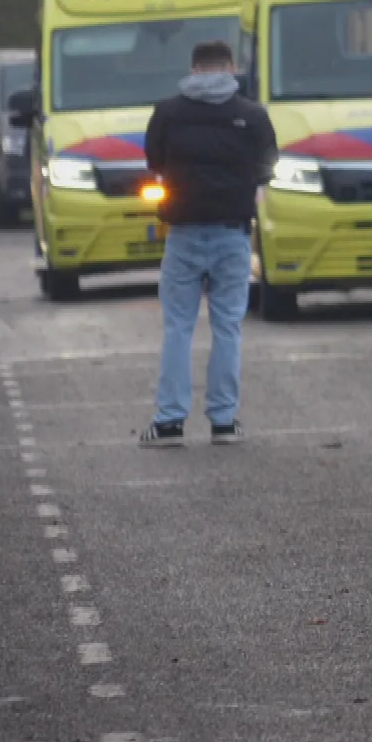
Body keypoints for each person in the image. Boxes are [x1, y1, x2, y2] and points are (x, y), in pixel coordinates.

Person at [139, 40, 277, 448]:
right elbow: (268, 165)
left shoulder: (168, 112)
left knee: (178, 327)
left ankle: (168, 422)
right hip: (232, 233)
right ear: (231, 67)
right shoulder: (251, 114)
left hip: (183, 233)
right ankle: (223, 421)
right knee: (228, 328)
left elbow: (154, 161)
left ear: (194, 69)